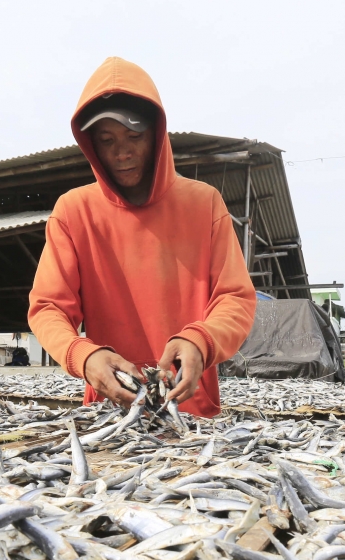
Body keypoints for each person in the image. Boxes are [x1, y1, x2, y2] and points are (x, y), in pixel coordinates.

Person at [28, 56, 256, 417]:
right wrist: (84, 356)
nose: (122, 152)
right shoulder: (73, 212)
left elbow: (235, 299)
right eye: (107, 140)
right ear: (91, 145)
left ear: (156, 133)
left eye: (134, 136)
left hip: (192, 412)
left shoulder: (204, 203)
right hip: (109, 412)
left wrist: (200, 340)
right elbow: (48, 308)